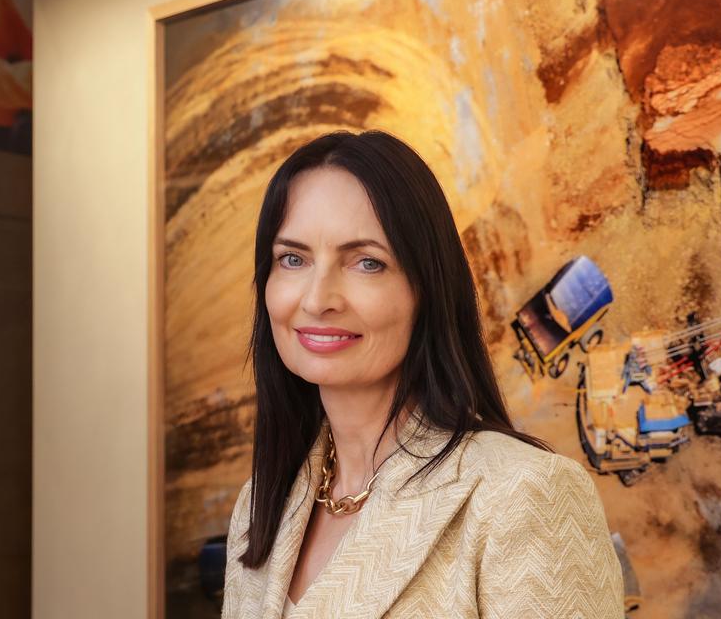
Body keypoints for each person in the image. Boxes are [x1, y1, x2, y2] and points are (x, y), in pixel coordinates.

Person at [221, 130, 624, 618]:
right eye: (293, 259)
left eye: (367, 262)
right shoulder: (262, 504)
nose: (316, 298)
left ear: (427, 287)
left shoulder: (523, 492)